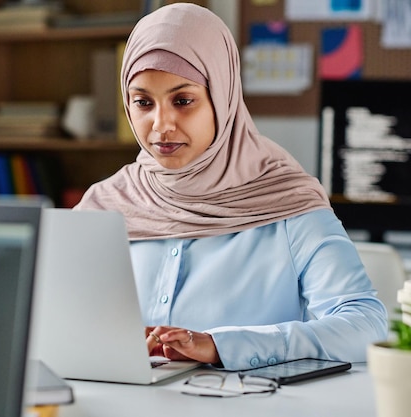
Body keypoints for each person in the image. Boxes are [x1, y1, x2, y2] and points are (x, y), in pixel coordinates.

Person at [74, 3, 388, 371]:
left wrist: (224, 345)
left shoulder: (286, 201)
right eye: (143, 102)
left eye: (183, 101)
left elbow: (366, 326)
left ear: (222, 97)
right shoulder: (103, 204)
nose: (161, 125)